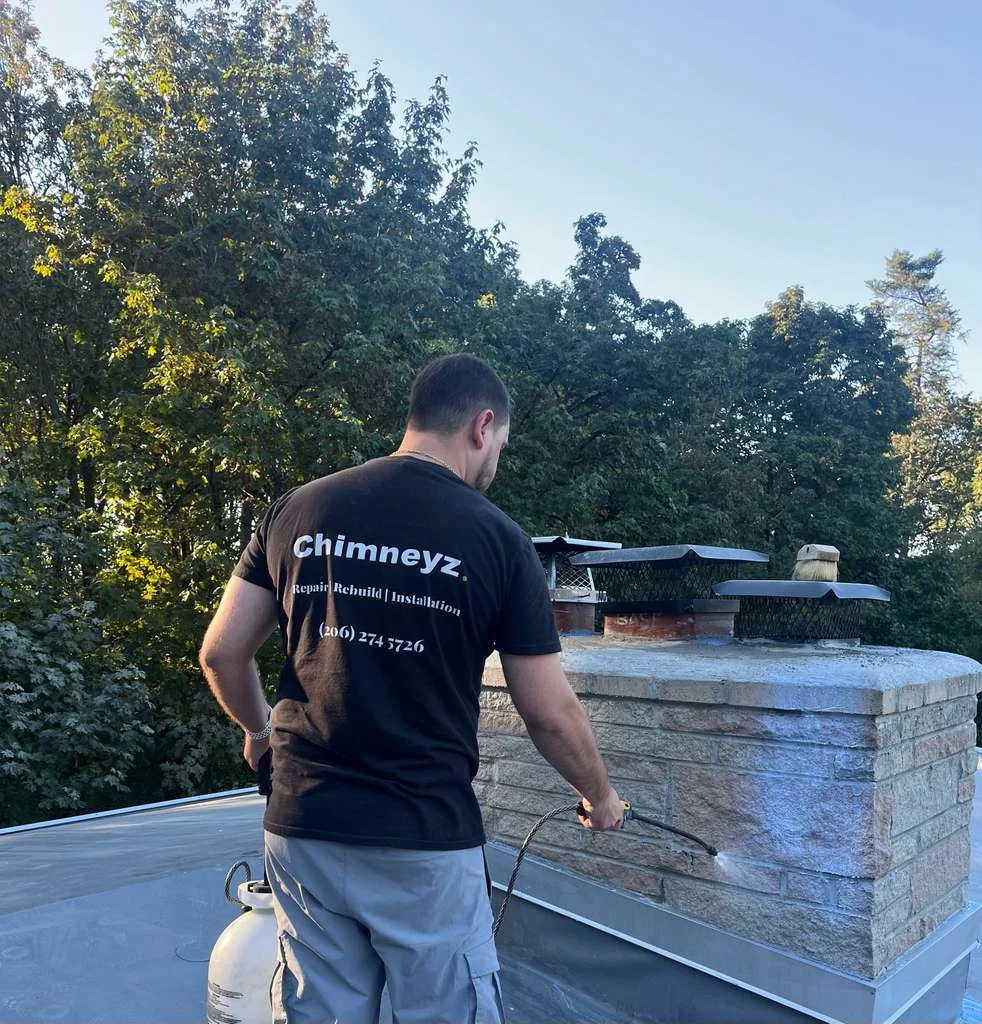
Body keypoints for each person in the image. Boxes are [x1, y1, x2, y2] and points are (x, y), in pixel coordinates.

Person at [199, 353, 624, 1024]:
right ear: (482, 426)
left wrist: (258, 733)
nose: (496, 459)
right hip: (421, 839)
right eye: (501, 444)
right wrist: (599, 796)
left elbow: (222, 654)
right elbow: (547, 710)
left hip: (304, 824)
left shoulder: (297, 511)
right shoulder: (499, 541)